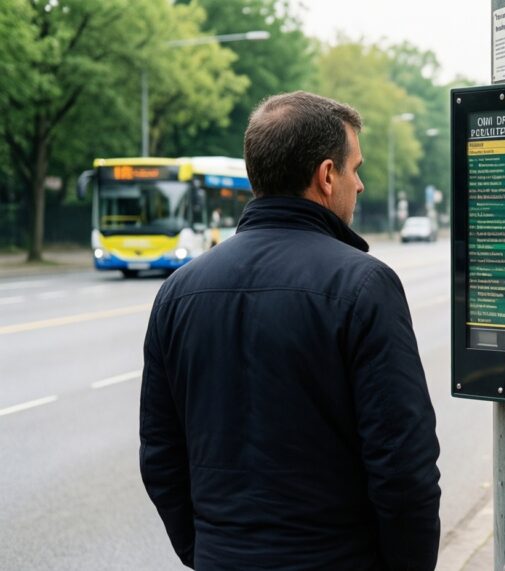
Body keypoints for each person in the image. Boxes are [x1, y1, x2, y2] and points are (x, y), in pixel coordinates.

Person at [139, 91, 442, 569]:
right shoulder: (363, 285)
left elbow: (160, 455)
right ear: (326, 176)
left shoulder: (178, 292)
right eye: (355, 168)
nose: (360, 185)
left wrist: (207, 552)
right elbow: (403, 467)